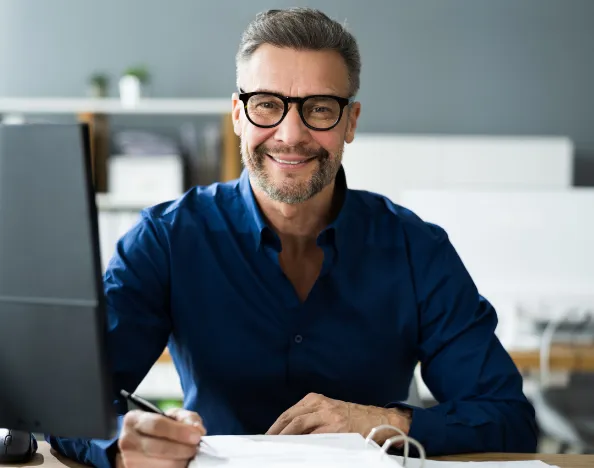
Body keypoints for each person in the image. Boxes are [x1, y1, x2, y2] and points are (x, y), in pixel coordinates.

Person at [47, 8, 537, 468]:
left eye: (320, 108)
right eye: (267, 105)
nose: (290, 133)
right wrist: (122, 443)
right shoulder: (166, 239)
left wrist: (383, 421)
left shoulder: (416, 248)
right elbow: (68, 404)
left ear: (350, 122)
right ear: (238, 114)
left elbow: (507, 418)